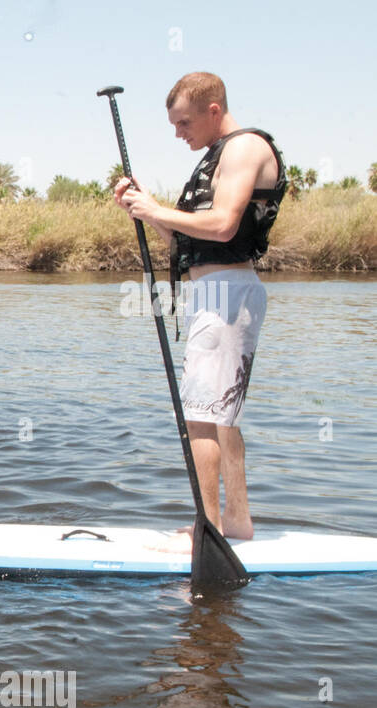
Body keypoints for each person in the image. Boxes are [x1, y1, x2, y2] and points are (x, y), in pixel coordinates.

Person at [113, 71, 284, 547]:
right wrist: (142, 209)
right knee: (220, 415)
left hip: (228, 294)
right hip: (216, 291)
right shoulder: (219, 155)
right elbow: (193, 239)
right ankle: (238, 522)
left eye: (184, 122)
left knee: (201, 416)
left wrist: (154, 209)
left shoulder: (245, 147)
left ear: (213, 110)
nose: (178, 133)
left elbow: (226, 226)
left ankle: (208, 529)